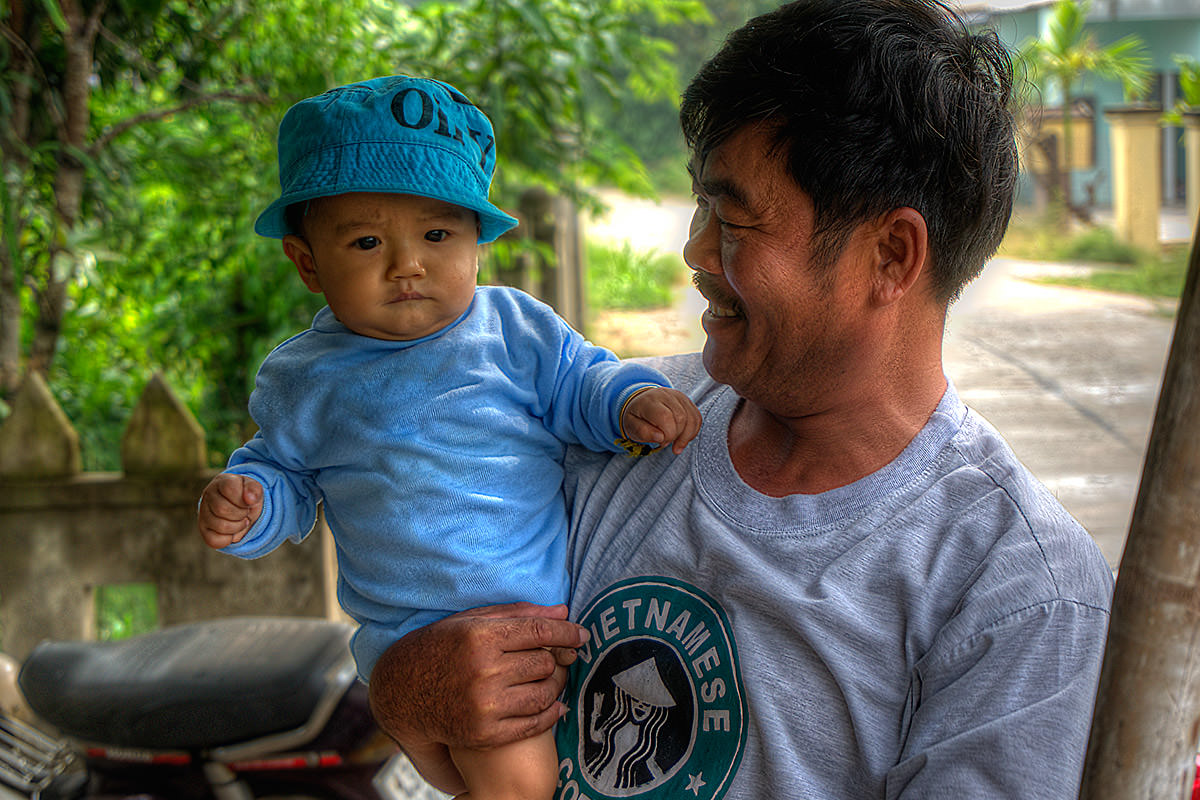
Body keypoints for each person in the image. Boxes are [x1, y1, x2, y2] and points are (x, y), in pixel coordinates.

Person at [364, 3, 1116, 799]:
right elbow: (436, 643)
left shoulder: (1022, 596)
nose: (693, 250)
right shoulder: (615, 424)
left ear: (891, 254)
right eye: (700, 207)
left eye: (733, 218)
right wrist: (407, 684)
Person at [195, 75, 702, 800]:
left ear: (477, 242)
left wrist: (630, 402)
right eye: (367, 241)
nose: (408, 264)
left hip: (528, 619)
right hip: (409, 640)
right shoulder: (303, 378)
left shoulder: (515, 331)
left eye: (437, 235)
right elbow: (281, 476)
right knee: (518, 784)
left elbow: (582, 382)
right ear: (307, 262)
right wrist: (248, 504)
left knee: (520, 778)